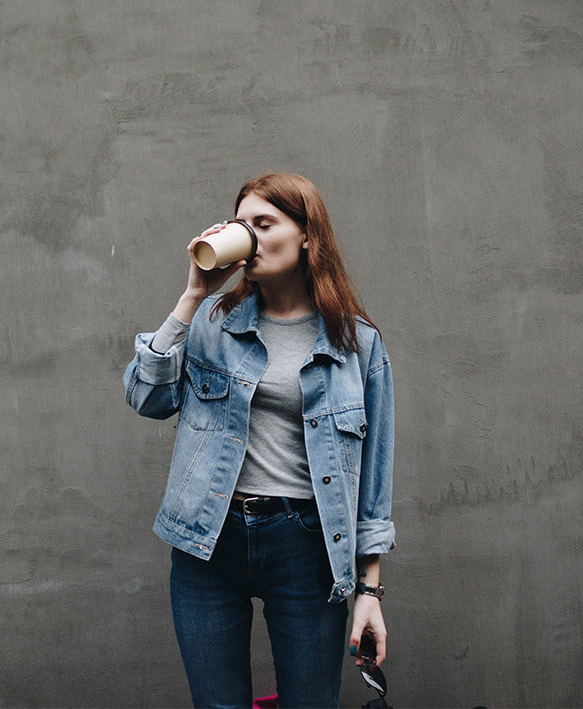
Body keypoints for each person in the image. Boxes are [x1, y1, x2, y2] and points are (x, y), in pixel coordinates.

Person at [122, 173, 395, 708]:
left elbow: (374, 486)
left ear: (307, 236)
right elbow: (145, 397)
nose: (249, 237)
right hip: (208, 538)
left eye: (263, 224)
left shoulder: (357, 344)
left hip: (306, 545)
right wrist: (193, 295)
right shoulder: (210, 322)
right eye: (241, 225)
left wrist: (368, 593)